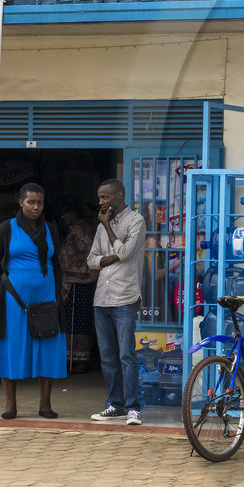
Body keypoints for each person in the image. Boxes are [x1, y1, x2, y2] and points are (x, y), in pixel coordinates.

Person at [0, 183, 66, 419]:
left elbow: (55, 260)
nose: (36, 207)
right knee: (10, 346)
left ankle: (45, 404)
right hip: (14, 300)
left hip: (46, 298)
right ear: (21, 202)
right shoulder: (6, 229)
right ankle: (10, 405)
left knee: (47, 347)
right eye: (31, 202)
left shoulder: (50, 229)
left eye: (40, 202)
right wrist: (14, 280)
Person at [88, 179, 147, 426]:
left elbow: (125, 253)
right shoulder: (101, 227)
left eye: (106, 197)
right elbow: (91, 260)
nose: (101, 202)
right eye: (100, 197)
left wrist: (107, 227)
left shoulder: (136, 221)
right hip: (101, 299)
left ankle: (132, 407)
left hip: (125, 298)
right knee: (108, 358)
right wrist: (112, 256)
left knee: (126, 356)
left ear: (119, 195)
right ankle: (115, 405)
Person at [56, 205, 99, 374]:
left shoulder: (80, 231)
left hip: (79, 281)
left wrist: (69, 264)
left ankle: (80, 359)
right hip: (75, 280)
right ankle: (70, 358)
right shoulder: (75, 230)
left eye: (66, 215)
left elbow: (83, 253)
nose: (65, 219)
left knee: (78, 321)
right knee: (71, 321)